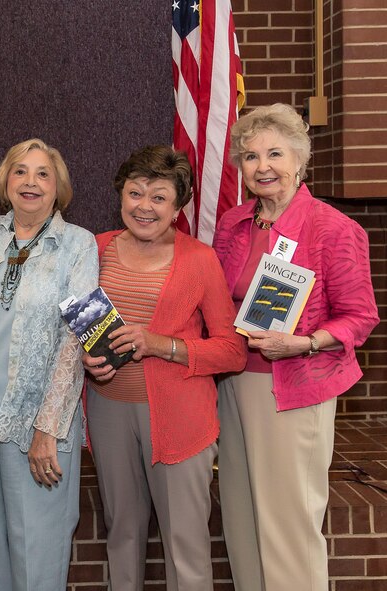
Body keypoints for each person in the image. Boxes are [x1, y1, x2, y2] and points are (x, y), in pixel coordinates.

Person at [213, 104, 378, 591]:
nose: (261, 165)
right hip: (232, 384)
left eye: (274, 153)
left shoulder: (332, 228)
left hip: (294, 388)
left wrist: (303, 343)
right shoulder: (233, 224)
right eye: (249, 156)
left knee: (288, 524)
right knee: (241, 519)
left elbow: (360, 316)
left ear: (299, 159)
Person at [81, 146, 246, 591]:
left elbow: (232, 351)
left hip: (180, 418)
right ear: (120, 197)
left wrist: (161, 345)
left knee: (185, 544)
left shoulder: (199, 260)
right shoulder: (93, 249)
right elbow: (71, 324)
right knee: (122, 534)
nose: (144, 206)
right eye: (136, 193)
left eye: (159, 197)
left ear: (177, 208)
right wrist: (84, 357)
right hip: (108, 410)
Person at [0, 139, 97, 591]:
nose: (30, 182)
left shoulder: (79, 244)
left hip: (38, 420)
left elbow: (80, 337)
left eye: (42, 174)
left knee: (37, 543)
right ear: (5, 182)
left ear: (59, 189)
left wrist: (47, 428)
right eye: (20, 171)